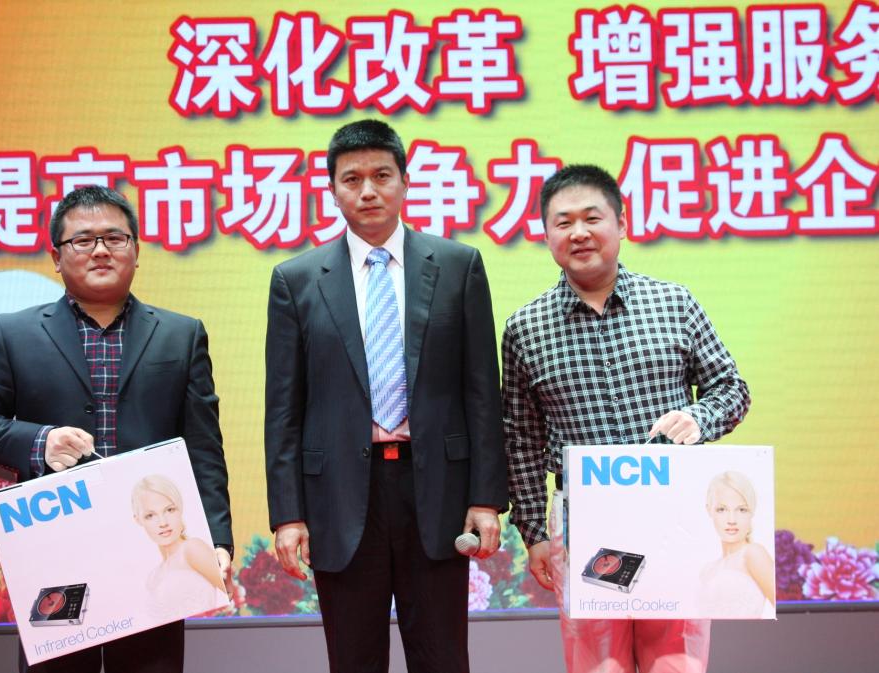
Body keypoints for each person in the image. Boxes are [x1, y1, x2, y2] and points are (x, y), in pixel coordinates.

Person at [0, 185, 233, 673]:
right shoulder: (14, 333)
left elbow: (204, 446)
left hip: (149, 550)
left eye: (114, 238)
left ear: (136, 251)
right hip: (56, 548)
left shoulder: (181, 334)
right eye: (83, 240)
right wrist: (41, 441)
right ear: (56, 257)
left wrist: (218, 538)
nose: (100, 250)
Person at [264, 119, 508, 673]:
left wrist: (486, 498)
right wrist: (288, 514)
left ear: (404, 182)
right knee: (353, 660)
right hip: (340, 496)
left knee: (443, 659)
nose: (368, 190)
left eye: (381, 175)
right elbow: (283, 409)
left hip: (437, 491)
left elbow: (481, 392)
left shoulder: (457, 266)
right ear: (332, 191)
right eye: (351, 179)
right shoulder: (297, 280)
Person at [501, 164, 751, 673]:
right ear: (546, 235)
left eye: (592, 218)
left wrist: (699, 417)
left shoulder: (674, 302)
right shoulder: (525, 328)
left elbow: (732, 389)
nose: (579, 233)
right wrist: (534, 533)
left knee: (676, 661)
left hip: (674, 514)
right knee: (598, 664)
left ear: (621, 223)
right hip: (584, 523)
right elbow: (521, 440)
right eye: (563, 222)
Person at [132, 474, 229, 620]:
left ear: (180, 508)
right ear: (138, 520)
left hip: (203, 631)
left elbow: (233, 594)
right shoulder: (154, 575)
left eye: (169, 510)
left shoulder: (192, 549)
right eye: (150, 515)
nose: (163, 522)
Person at [697, 471, 774, 618]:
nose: (731, 520)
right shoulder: (707, 570)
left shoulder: (753, 553)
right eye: (722, 509)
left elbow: (782, 609)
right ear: (709, 510)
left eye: (741, 510)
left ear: (752, 511)